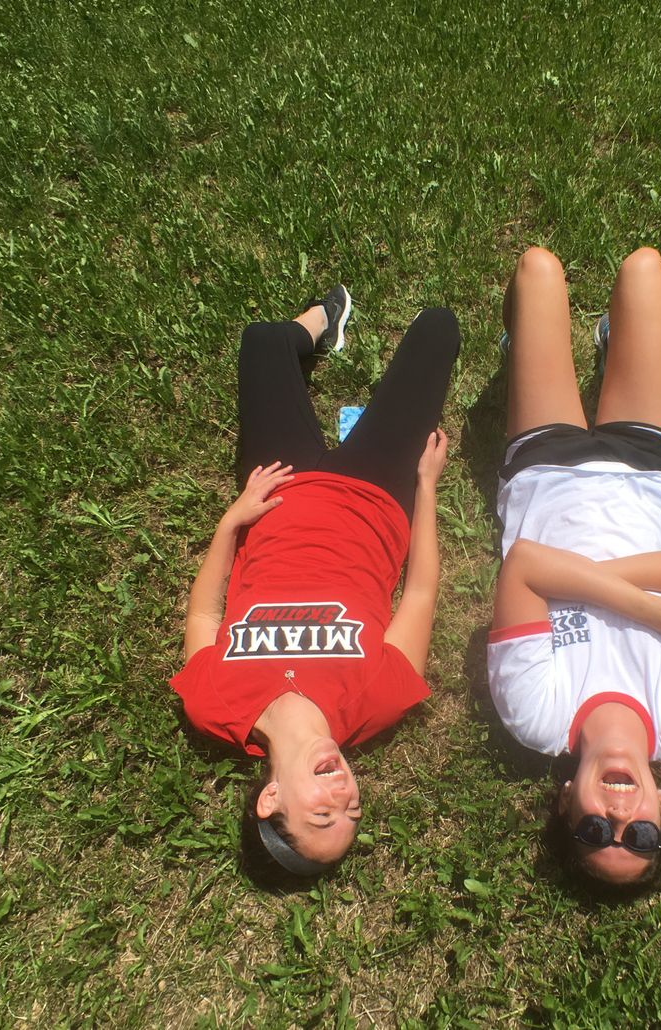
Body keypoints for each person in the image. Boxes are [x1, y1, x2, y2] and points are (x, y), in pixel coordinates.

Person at [171, 286, 460, 884]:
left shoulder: (212, 705)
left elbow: (203, 616)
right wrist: (425, 487)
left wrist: (232, 520)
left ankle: (324, 324)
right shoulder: (375, 702)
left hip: (278, 488)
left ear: (270, 799)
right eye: (353, 811)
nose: (344, 796)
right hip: (377, 495)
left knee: (262, 340)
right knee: (438, 328)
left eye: (322, 813)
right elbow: (419, 594)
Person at [486, 246, 661, 894]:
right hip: (646, 471)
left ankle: (523, 351)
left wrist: (650, 608)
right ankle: (605, 347)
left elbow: (523, 566)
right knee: (644, 268)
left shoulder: (538, 716)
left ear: (566, 802)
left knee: (538, 270)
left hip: (544, 466)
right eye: (641, 837)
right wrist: (567, 578)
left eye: (593, 832)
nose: (618, 818)